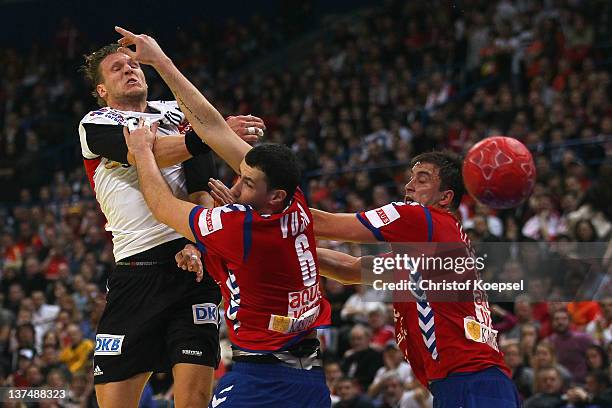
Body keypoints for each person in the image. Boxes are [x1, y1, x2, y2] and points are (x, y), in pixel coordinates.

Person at [115, 26, 331, 407]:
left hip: (263, 380)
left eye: (247, 183)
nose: (237, 185)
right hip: (309, 379)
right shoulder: (294, 205)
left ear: (273, 195)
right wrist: (431, 269)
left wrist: (144, 153)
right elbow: (213, 128)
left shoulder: (238, 227)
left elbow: (163, 207)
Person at [78, 42, 265, 407]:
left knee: (194, 398)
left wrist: (197, 242)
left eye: (133, 64)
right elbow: (144, 153)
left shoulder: (173, 112)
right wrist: (211, 135)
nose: (130, 70)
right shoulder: (96, 122)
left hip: (190, 264)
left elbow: (201, 187)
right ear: (101, 90)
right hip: (136, 268)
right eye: (117, 68)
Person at [311, 151, 520, 406]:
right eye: (411, 178)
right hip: (465, 381)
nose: (409, 185)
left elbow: (327, 224)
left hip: (471, 380)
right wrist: (285, 250)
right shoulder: (429, 250)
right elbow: (349, 269)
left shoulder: (422, 218)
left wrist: (258, 217)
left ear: (445, 197)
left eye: (422, 179)